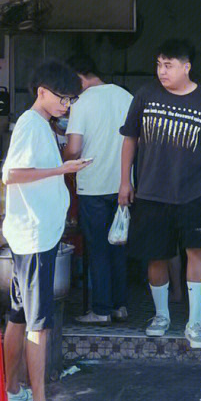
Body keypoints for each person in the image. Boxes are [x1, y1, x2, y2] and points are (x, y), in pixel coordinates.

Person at [118, 39, 201, 350]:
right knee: (156, 255)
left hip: (194, 192)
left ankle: (195, 322)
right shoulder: (145, 94)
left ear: (186, 67)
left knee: (197, 251)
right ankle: (161, 315)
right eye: (159, 64)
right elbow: (129, 139)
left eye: (168, 65)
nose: (162, 71)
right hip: (151, 192)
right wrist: (125, 181)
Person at [2, 61, 91, 401]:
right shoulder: (30, 125)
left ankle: (12, 393)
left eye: (70, 100)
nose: (66, 105)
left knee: (19, 317)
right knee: (39, 324)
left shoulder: (41, 126)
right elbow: (12, 174)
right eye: (62, 97)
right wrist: (62, 171)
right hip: (34, 239)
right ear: (42, 91)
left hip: (34, 236)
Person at [64, 54, 134, 325]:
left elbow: (74, 149)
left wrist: (59, 158)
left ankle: (101, 310)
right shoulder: (126, 97)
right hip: (123, 186)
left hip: (92, 186)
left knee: (98, 250)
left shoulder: (81, 103)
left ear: (79, 77)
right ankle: (120, 306)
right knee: (118, 246)